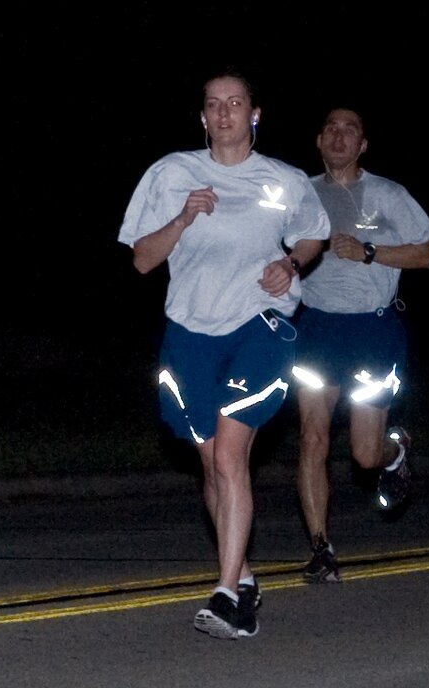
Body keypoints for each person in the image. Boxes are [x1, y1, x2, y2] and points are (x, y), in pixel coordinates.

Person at [119, 69, 329, 640]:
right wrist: (183, 217)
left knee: (231, 454)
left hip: (261, 325)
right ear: (203, 116)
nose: (225, 113)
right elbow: (141, 259)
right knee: (212, 464)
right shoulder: (170, 173)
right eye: (214, 105)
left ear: (254, 114)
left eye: (235, 103)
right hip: (190, 330)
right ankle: (243, 573)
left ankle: (229, 595)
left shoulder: (283, 179)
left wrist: (290, 264)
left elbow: (312, 234)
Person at [290, 106, 429, 584]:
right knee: (312, 437)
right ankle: (320, 547)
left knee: (362, 454)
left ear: (363, 145)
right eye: (330, 129)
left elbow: (427, 254)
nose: (339, 136)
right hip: (315, 327)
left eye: (349, 129)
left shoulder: (388, 194)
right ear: (318, 140)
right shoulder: (301, 195)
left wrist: (369, 250)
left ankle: (393, 452)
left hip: (372, 331)